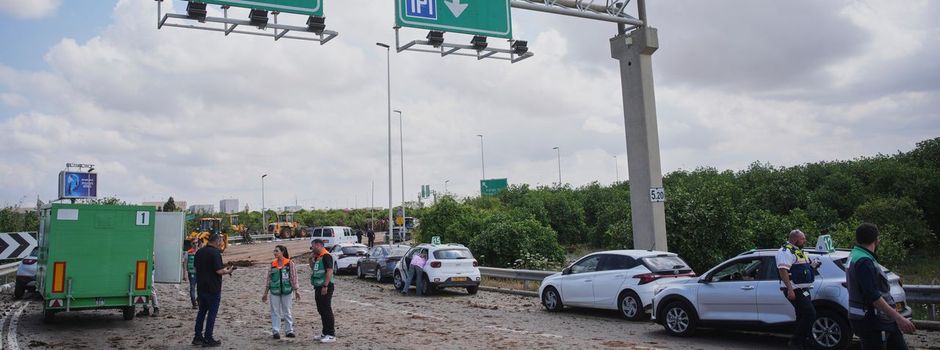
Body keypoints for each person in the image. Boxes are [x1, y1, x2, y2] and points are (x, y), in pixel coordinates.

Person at [847, 223, 916, 350]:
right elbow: (873, 296)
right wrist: (899, 318)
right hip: (873, 320)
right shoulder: (864, 261)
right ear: (876, 240)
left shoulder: (856, 254)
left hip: (877, 319)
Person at [775, 229, 820, 350]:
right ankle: (795, 340)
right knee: (810, 314)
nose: (805, 241)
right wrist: (790, 290)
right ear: (795, 240)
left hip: (803, 288)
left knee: (802, 315)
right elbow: (783, 270)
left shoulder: (798, 251)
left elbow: (801, 269)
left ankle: (802, 343)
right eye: (802, 239)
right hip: (794, 289)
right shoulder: (785, 251)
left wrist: (813, 266)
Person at [193, 234, 236, 347]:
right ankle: (208, 338)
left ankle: (197, 337)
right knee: (212, 314)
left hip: (201, 286)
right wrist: (228, 270)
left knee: (201, 312)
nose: (221, 243)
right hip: (213, 288)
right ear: (216, 241)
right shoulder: (215, 253)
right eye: (221, 241)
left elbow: (196, 268)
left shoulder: (199, 252)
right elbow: (219, 271)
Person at [262, 245, 300, 339]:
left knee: (287, 310)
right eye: (274, 251)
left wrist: (296, 290)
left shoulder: (290, 263)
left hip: (287, 291)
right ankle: (276, 331)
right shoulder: (272, 264)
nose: (274, 253)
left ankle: (289, 331)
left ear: (282, 252)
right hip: (274, 291)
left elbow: (293, 277)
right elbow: (269, 280)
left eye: (276, 251)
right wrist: (265, 293)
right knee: (275, 311)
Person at [310, 239, 336, 343]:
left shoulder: (326, 256)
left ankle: (331, 334)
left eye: (313, 246)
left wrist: (325, 285)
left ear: (318, 245)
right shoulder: (318, 257)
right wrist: (310, 260)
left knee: (326, 309)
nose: (312, 249)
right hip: (318, 286)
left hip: (325, 286)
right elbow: (314, 269)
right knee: (321, 309)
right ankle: (325, 333)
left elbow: (329, 271)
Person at [138, 252, 161, 317]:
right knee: (143, 289)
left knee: (151, 289)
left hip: (149, 270)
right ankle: (146, 309)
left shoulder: (150, 248)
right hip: (142, 268)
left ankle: (156, 308)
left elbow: (153, 260)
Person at [183, 239, 201, 309]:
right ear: (191, 244)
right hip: (192, 272)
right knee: (192, 287)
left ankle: (198, 300)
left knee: (201, 288)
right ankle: (194, 303)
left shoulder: (201, 251)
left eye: (197, 243)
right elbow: (185, 263)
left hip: (200, 272)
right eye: (194, 243)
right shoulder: (188, 252)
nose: (195, 244)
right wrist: (184, 274)